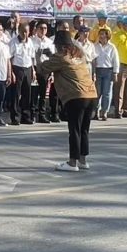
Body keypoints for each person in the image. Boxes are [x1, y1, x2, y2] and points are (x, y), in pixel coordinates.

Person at [40, 30, 98, 172]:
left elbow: (42, 69)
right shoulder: (79, 55)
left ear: (60, 46)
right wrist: (51, 56)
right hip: (91, 94)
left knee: (74, 130)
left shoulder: (60, 57)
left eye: (56, 46)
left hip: (76, 96)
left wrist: (38, 57)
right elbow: (64, 62)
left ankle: (72, 163)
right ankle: (83, 160)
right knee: (84, 130)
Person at [6, 22, 35, 125]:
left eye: (26, 31)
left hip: (27, 68)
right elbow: (9, 58)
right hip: (17, 68)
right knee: (16, 94)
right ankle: (15, 117)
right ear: (19, 31)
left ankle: (25, 116)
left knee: (27, 93)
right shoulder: (13, 42)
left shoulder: (30, 42)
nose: (25, 34)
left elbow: (32, 57)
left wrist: (33, 71)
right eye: (23, 31)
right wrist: (11, 72)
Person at [29, 20, 55, 123]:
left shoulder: (49, 42)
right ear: (36, 29)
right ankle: (32, 114)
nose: (43, 30)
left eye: (45, 28)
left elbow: (52, 58)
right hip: (35, 68)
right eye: (41, 28)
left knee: (43, 94)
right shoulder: (31, 40)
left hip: (45, 69)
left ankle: (42, 114)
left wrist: (52, 72)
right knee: (34, 93)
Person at [91, 27, 119, 121]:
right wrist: (93, 72)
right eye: (100, 34)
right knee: (97, 92)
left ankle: (104, 112)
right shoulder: (95, 46)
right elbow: (93, 59)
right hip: (98, 70)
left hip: (108, 71)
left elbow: (115, 60)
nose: (101, 36)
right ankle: (96, 111)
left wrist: (115, 73)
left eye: (103, 34)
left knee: (107, 93)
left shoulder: (112, 47)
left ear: (107, 36)